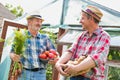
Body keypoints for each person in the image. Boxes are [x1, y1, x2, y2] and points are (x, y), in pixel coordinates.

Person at [55, 5, 110, 80]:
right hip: (75, 76)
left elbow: (97, 58)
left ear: (90, 18)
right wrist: (58, 63)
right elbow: (71, 51)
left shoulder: (104, 36)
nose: (80, 21)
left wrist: (76, 68)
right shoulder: (82, 35)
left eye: (82, 18)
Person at [10, 13, 56, 80]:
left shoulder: (45, 38)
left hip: (40, 74)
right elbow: (12, 52)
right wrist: (13, 56)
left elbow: (54, 53)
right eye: (37, 21)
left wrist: (54, 59)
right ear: (29, 22)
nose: (39, 23)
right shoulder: (21, 37)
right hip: (24, 74)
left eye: (41, 22)